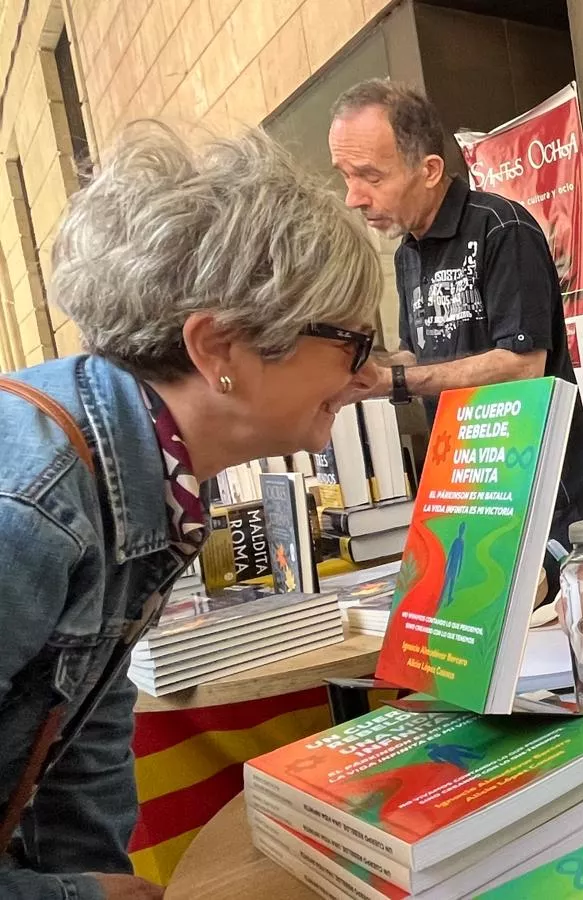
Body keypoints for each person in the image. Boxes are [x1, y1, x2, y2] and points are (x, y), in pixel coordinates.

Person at [0, 123, 381, 899]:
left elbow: (88, 721)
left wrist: (95, 877)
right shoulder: (30, 510)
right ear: (218, 348)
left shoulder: (148, 473)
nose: (370, 376)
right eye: (351, 342)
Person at [328, 79, 583, 598]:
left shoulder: (502, 228)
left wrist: (393, 379)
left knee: (541, 624)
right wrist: (352, 362)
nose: (353, 197)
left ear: (428, 170)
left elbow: (523, 365)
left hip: (530, 475)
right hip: (459, 473)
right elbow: (419, 350)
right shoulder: (408, 251)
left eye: (369, 176)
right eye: (345, 176)